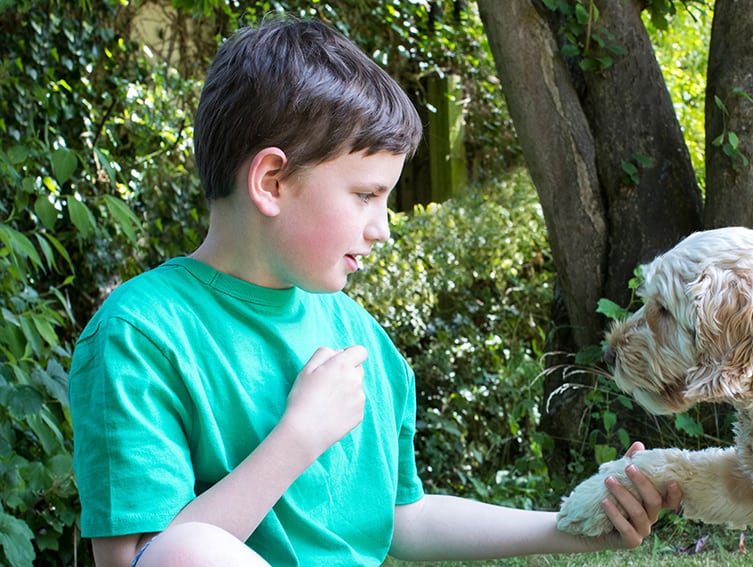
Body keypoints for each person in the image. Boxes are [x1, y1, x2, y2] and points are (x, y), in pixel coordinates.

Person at [68, 16, 682, 567]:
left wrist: (576, 526)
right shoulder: (141, 333)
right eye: (366, 195)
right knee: (188, 551)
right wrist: (298, 437)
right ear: (272, 181)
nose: (382, 228)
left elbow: (403, 522)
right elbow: (143, 563)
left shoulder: (362, 341)